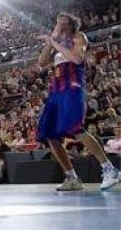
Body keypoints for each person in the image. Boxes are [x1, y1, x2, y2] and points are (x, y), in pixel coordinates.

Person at [36, 13, 119, 191]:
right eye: (57, 21)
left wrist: (55, 43)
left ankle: (109, 169)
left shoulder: (79, 37)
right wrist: (50, 42)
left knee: (75, 129)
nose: (58, 23)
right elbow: (41, 63)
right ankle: (71, 177)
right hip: (56, 91)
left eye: (62, 21)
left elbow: (77, 59)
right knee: (50, 134)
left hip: (72, 88)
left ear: (71, 24)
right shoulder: (58, 46)